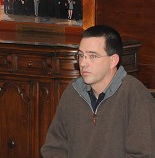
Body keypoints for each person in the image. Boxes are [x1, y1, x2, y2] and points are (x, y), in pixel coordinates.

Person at [41, 25, 155, 157]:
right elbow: (53, 148)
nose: (83, 63)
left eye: (93, 56)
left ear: (113, 60)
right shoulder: (72, 92)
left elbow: (144, 154)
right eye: (81, 55)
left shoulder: (135, 96)